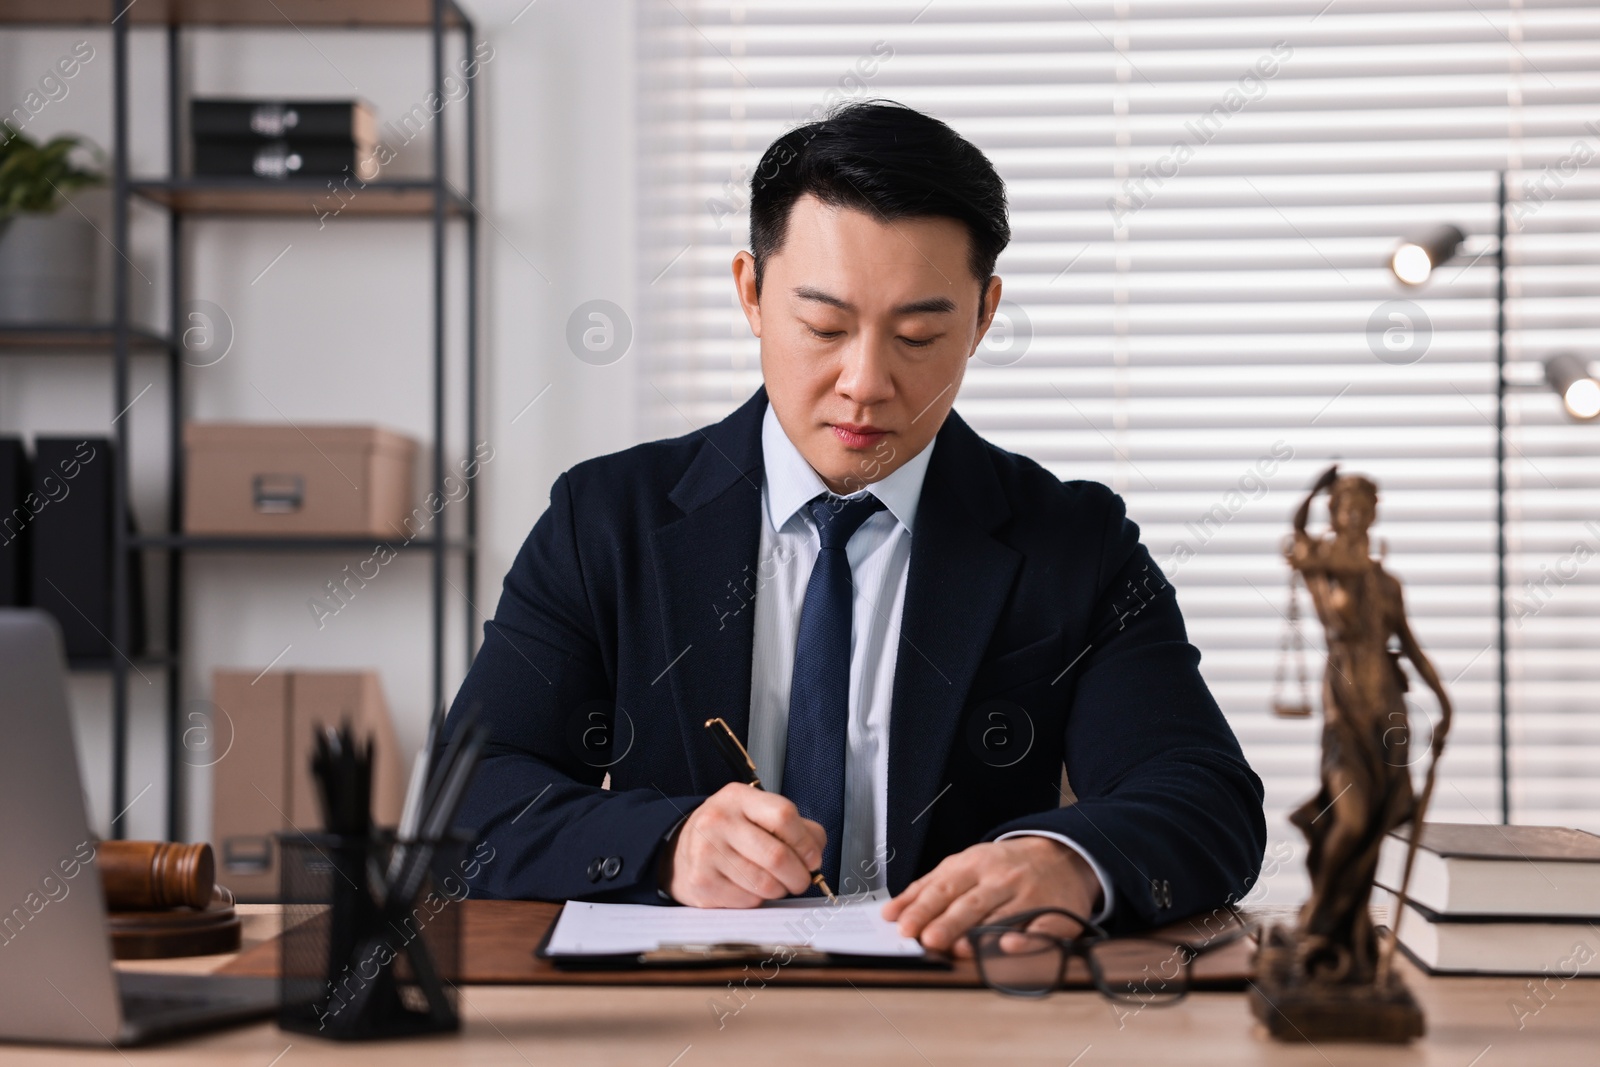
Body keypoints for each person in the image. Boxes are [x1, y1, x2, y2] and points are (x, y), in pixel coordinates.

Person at [446, 100, 1265, 953]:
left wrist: (1068, 859)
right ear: (752, 295)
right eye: (823, 328)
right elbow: (473, 796)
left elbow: (1205, 796)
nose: (865, 382)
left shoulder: (1075, 542)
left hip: (957, 1016)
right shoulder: (608, 519)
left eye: (919, 335)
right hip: (679, 1010)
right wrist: (667, 843)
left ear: (983, 317)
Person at [1285, 465, 1452, 983]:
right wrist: (1314, 490)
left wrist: (1446, 701)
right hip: (1346, 708)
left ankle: (1348, 934)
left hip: (1389, 707)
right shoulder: (1324, 570)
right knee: (1350, 819)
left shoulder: (1386, 583)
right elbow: (1298, 536)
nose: (1355, 515)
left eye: (1363, 507)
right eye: (1345, 506)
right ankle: (1321, 913)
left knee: (1378, 826)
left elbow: (1411, 646)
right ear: (1334, 514)